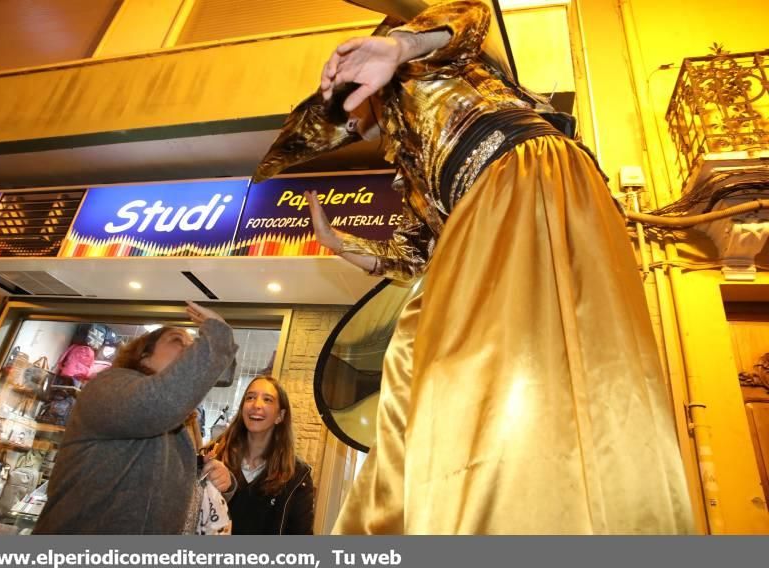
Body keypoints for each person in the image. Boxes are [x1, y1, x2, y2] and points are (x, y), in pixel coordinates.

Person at [254, 0, 695, 534]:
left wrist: (399, 44)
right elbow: (416, 254)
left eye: (351, 98)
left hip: (523, 171)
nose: (352, 114)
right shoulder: (409, 163)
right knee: (418, 351)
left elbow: (468, 16)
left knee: (462, 357)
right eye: (343, 111)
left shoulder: (431, 63)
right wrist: (337, 243)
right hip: (485, 211)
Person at [34, 301, 237, 534]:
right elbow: (160, 402)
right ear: (143, 356)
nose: (189, 349)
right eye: (177, 340)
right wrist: (218, 334)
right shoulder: (108, 386)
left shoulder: (179, 424)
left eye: (191, 345)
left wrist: (219, 479)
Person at [210, 376, 315, 534]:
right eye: (250, 397)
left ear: (280, 415)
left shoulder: (298, 477)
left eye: (267, 400)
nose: (256, 405)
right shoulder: (214, 456)